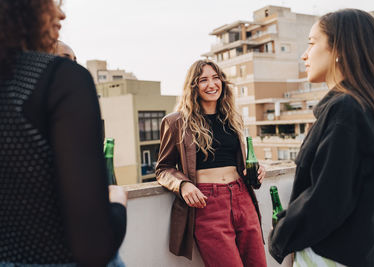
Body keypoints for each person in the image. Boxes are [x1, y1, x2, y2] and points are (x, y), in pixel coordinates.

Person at [268, 9, 374, 267]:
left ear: (339, 48)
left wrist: (280, 235)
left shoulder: (346, 110)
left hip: (336, 257)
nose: (304, 55)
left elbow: (328, 198)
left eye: (311, 43)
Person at [0, 0, 127, 266]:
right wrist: (117, 204)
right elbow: (93, 247)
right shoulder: (60, 79)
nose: (61, 13)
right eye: (50, 3)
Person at [156, 59, 267, 267]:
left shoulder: (232, 119)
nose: (211, 84)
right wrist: (183, 184)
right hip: (207, 203)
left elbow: (237, 160)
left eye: (216, 78)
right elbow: (163, 168)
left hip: (243, 197)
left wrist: (257, 170)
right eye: (203, 80)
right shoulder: (176, 122)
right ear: (193, 86)